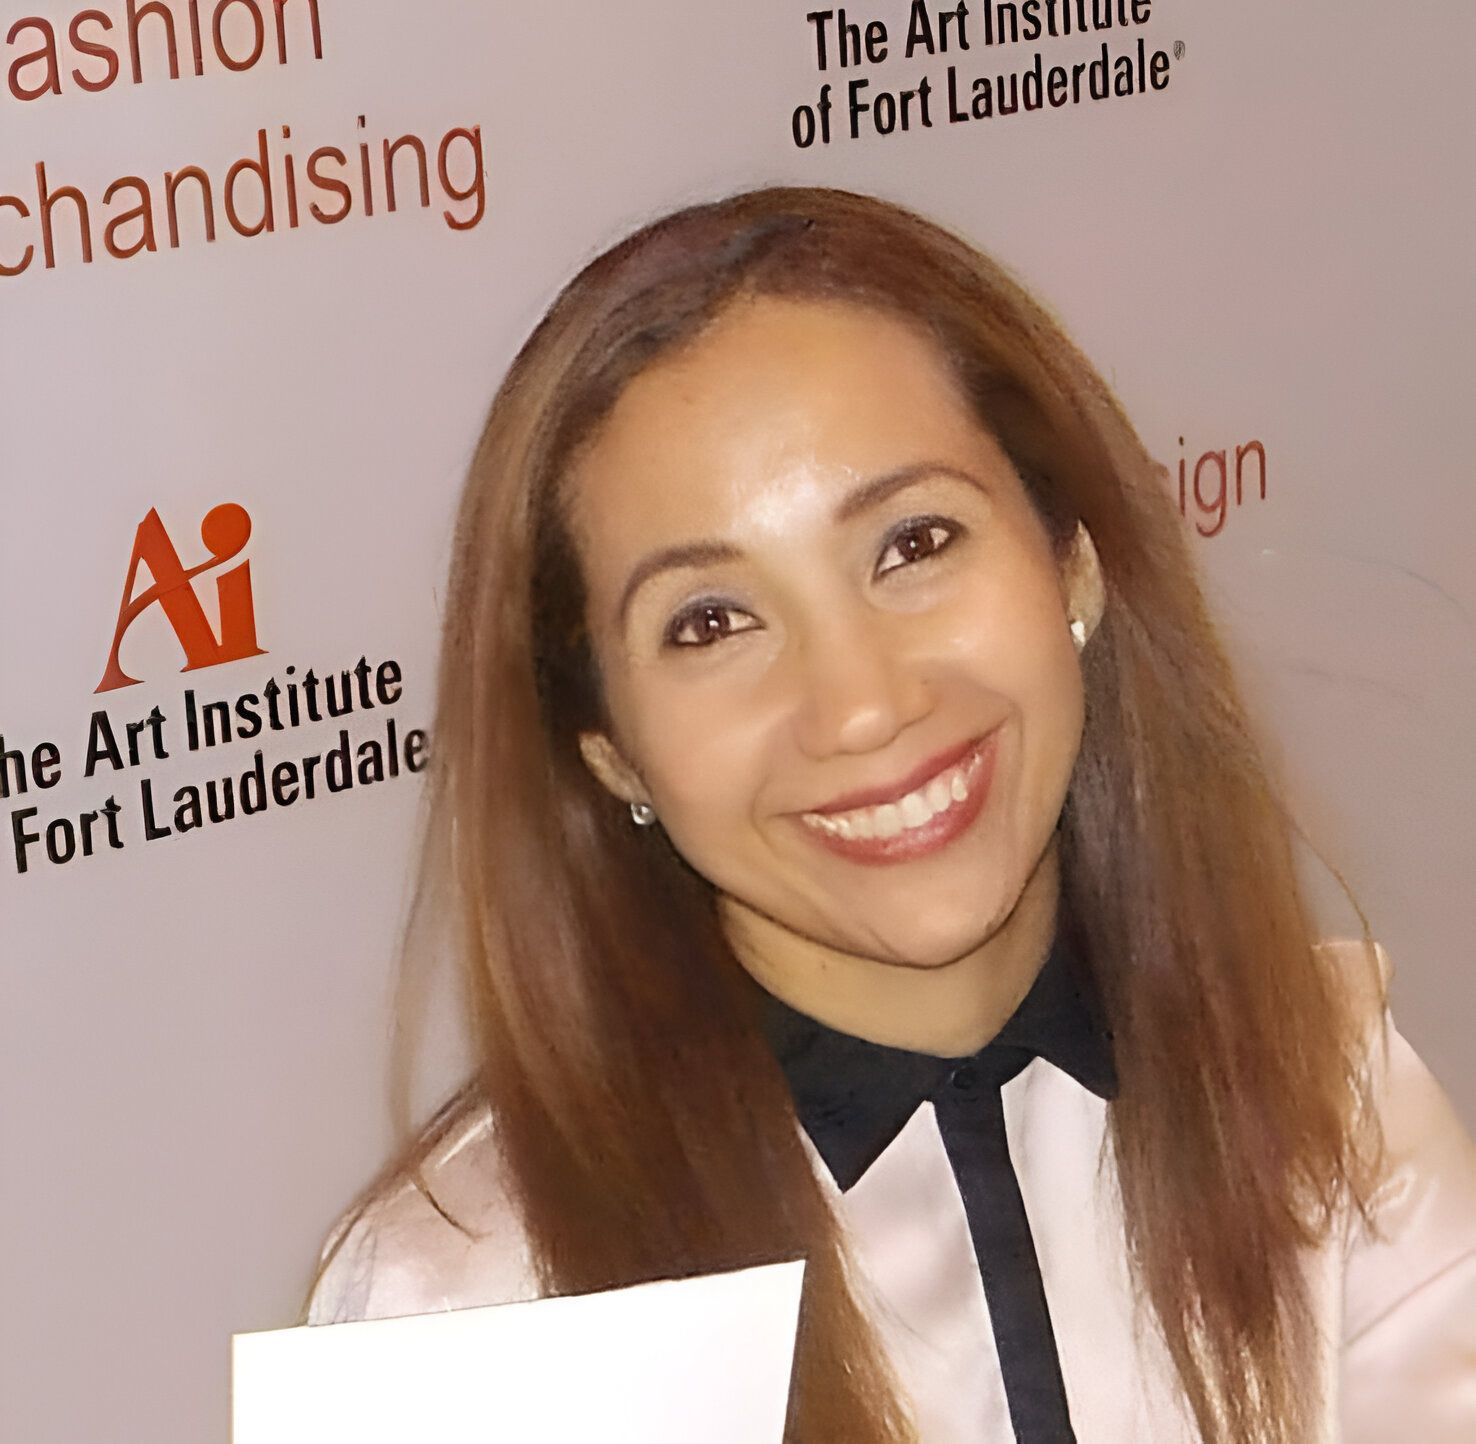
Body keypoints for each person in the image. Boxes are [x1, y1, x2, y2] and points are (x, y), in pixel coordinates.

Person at [304, 187, 1476, 1442]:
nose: (862, 705)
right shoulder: (465, 1311)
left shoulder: (1328, 1093)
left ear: (1071, 560)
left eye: (914, 543)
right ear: (611, 752)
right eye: (709, 621)